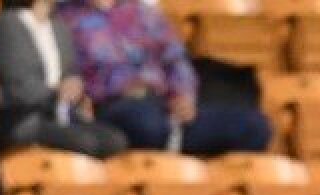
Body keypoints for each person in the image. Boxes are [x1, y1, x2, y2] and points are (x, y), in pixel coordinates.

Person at [56, 0, 273, 155]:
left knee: (254, 127)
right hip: (112, 108)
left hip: (163, 106)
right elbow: (64, 72)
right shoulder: (65, 17)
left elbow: (176, 60)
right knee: (145, 123)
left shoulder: (144, 13)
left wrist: (184, 95)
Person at [0, 0, 128, 158]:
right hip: (22, 118)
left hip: (60, 114)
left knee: (115, 140)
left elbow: (70, 71)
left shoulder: (59, 26)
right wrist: (58, 91)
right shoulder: (8, 25)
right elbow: (19, 87)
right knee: (86, 142)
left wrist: (74, 83)